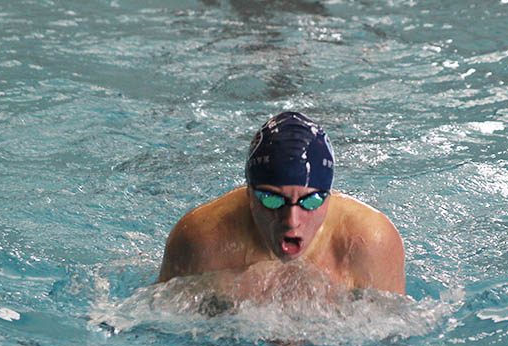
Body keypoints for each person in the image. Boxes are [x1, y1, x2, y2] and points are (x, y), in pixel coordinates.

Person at [158, 111, 405, 296]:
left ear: (329, 196)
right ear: (249, 194)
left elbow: (390, 344)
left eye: (311, 201)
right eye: (272, 199)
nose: (291, 220)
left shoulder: (371, 242)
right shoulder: (201, 239)